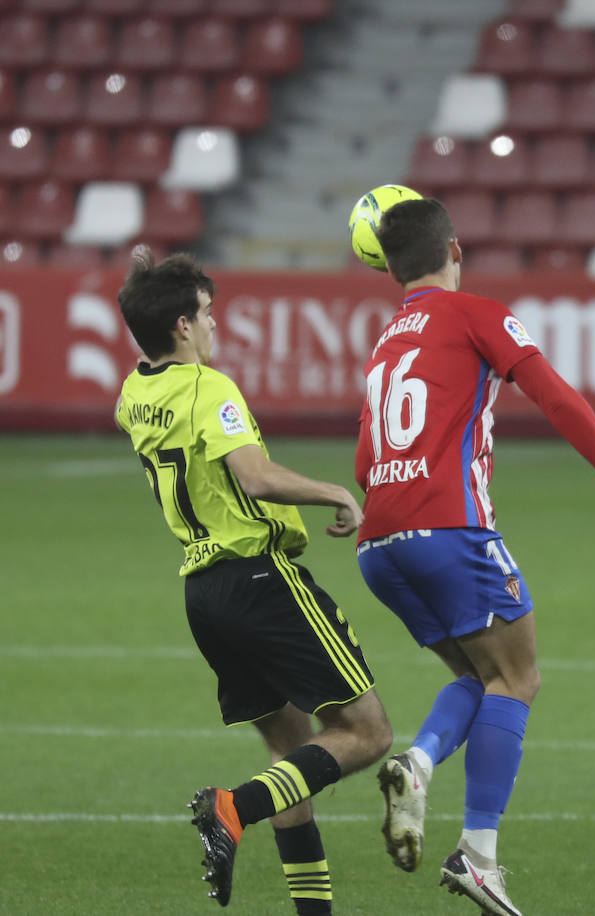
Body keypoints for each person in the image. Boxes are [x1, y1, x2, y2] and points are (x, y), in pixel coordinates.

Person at [353, 197, 595, 915]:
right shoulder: (475, 313)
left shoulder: (385, 344)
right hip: (450, 529)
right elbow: (555, 395)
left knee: (483, 679)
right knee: (520, 675)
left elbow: (364, 459)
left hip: (378, 545)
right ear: (454, 249)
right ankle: (477, 855)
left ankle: (418, 763)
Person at [114, 250, 394, 912]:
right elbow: (255, 476)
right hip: (259, 579)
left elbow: (149, 334)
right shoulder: (208, 388)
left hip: (204, 597)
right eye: (207, 315)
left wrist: (142, 283)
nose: (215, 326)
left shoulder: (136, 394)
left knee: (292, 760)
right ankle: (232, 807)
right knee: (367, 734)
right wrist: (336, 493)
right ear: (182, 326)